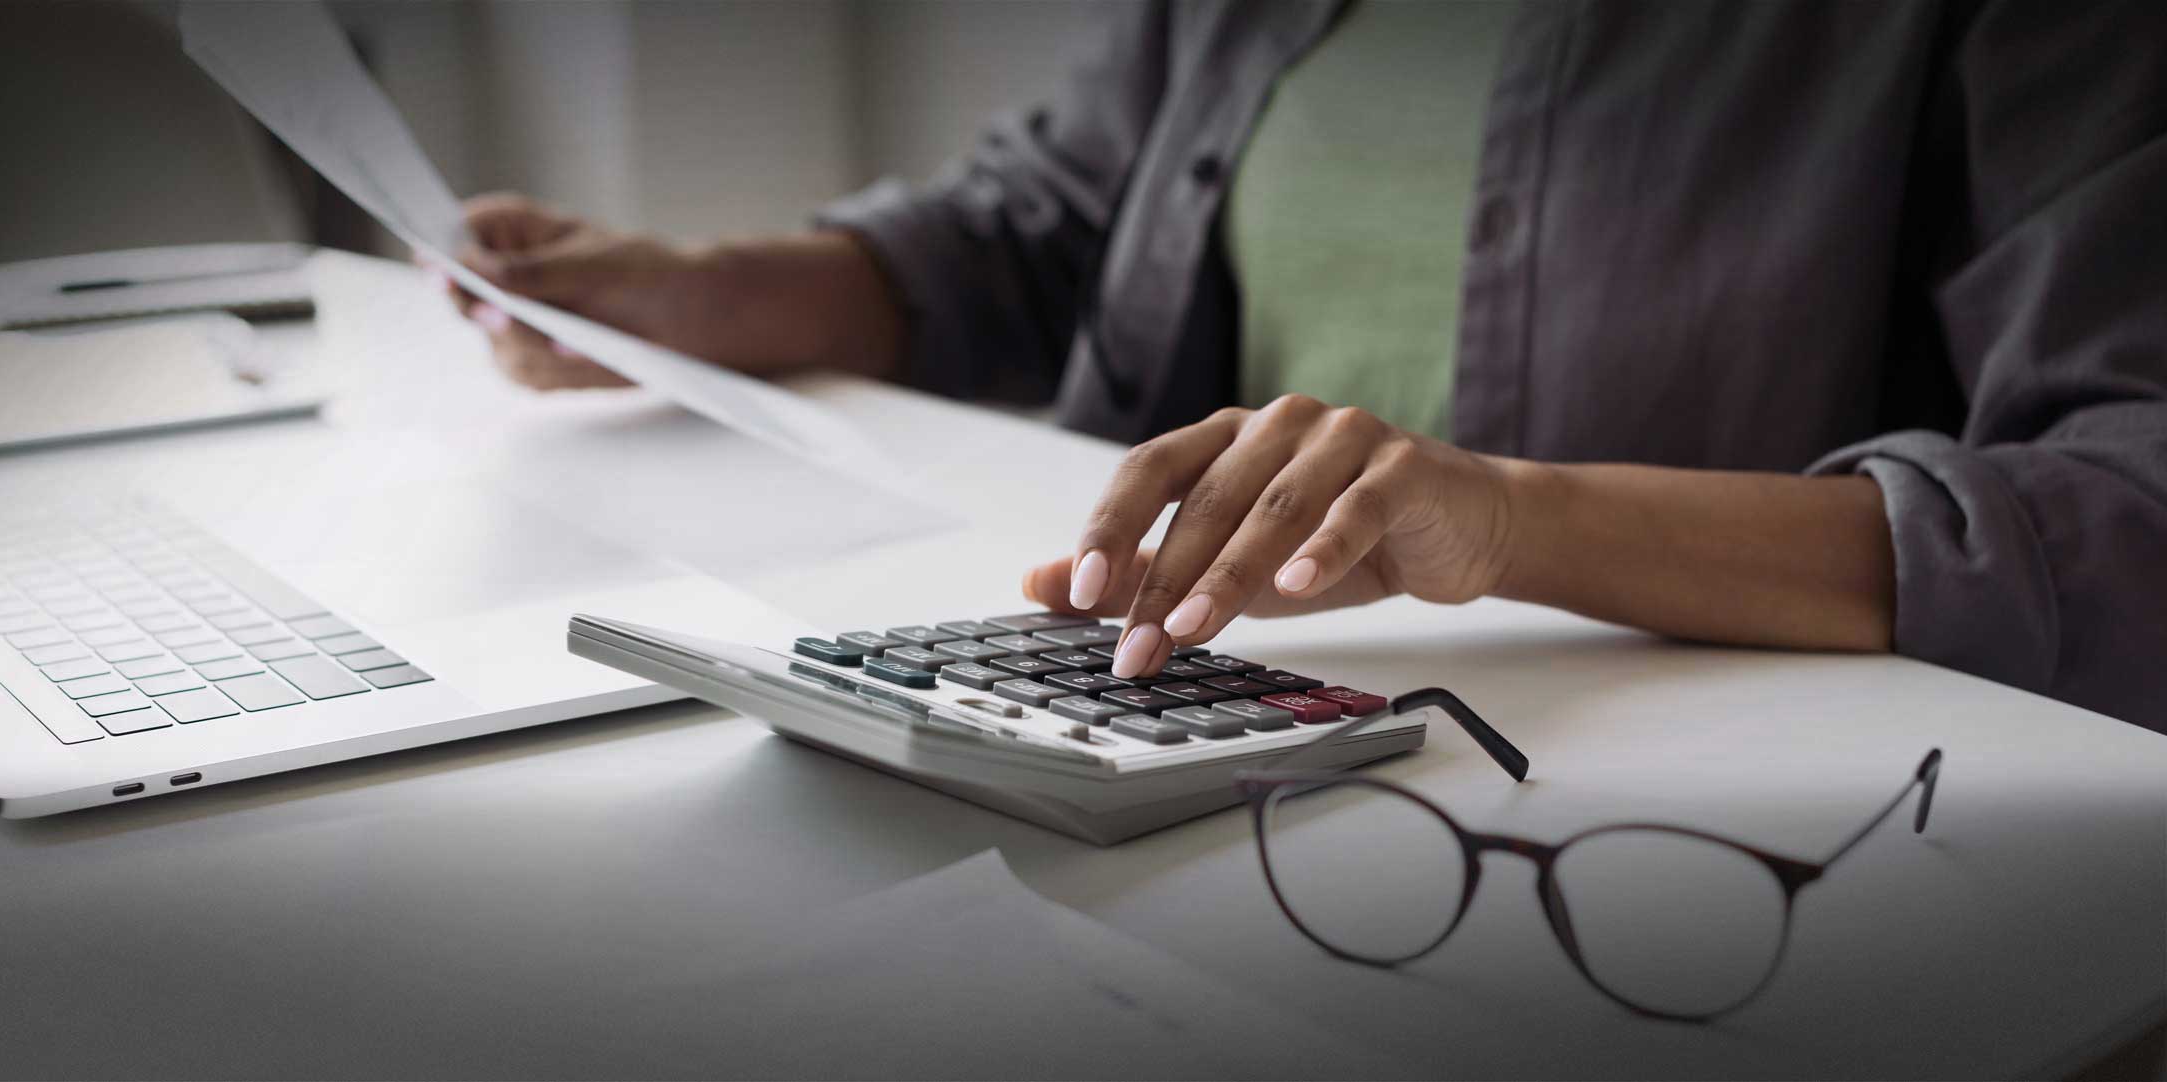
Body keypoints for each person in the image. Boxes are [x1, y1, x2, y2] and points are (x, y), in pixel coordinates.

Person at [437, 1, 2167, 730]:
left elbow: (2129, 501)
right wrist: (701, 284)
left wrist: (1508, 519)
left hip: (1678, 807)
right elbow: (1043, 224)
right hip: (1192, 715)